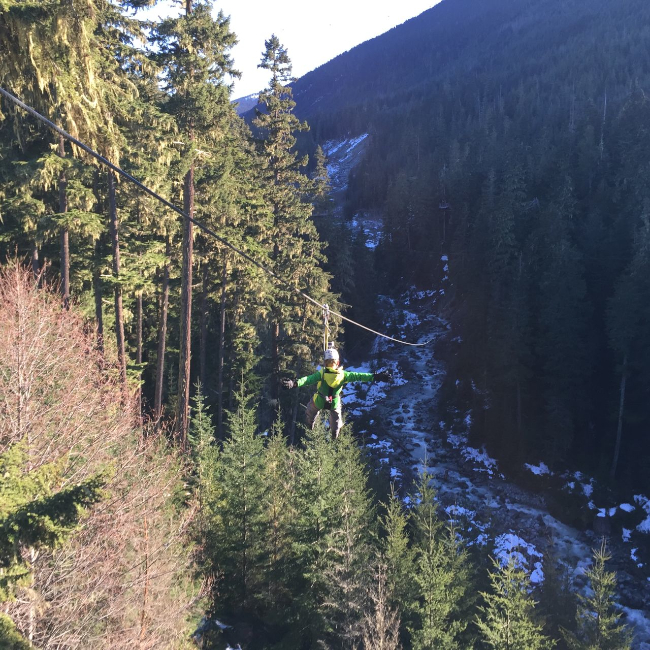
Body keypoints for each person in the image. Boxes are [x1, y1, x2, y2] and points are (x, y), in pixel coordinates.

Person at [281, 345, 391, 438]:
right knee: (336, 419)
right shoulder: (344, 375)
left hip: (320, 400)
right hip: (334, 402)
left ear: (325, 362)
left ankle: (310, 425)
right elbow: (360, 376)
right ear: (337, 362)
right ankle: (334, 435)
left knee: (311, 410)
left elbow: (307, 380)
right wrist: (376, 377)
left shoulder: (322, 374)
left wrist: (294, 383)